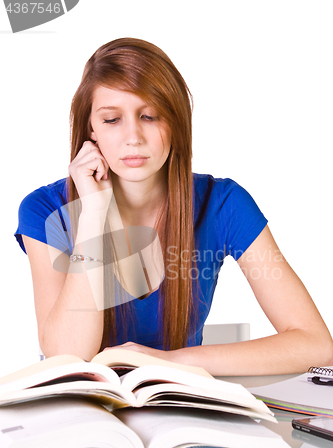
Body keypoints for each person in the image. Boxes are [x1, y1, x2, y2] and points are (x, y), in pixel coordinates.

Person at [15, 38, 333, 376]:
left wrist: (168, 361)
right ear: (90, 128)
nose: (133, 136)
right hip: (82, 415)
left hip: (179, 409)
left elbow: (315, 344)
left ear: (176, 123)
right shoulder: (45, 210)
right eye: (112, 120)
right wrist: (93, 212)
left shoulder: (223, 204)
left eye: (149, 116)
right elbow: (68, 356)